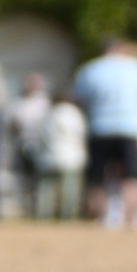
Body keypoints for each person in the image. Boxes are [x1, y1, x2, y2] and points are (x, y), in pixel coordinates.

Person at [69, 37, 137, 228]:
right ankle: (130, 220)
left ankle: (102, 218)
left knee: (97, 176)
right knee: (132, 177)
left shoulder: (90, 70)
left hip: (99, 127)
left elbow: (76, 98)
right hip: (129, 128)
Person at [5, 73, 52, 218]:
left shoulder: (43, 103)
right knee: (23, 179)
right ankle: (24, 209)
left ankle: (39, 209)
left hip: (39, 145)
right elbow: (10, 123)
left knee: (38, 179)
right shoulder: (18, 102)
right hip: (22, 144)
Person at [36, 91, 89, 219]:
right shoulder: (74, 113)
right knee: (69, 190)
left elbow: (42, 136)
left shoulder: (49, 114)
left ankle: (44, 216)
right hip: (71, 157)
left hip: (49, 157)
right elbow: (81, 133)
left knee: (47, 190)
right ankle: (68, 216)